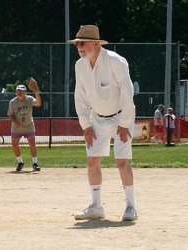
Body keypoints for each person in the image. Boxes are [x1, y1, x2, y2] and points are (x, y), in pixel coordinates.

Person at [69, 25, 137, 221]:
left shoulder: (116, 61)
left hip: (120, 118)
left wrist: (124, 124)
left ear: (96, 43)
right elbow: (79, 97)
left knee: (121, 161)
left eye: (82, 43)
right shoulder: (79, 65)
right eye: (77, 43)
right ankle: (96, 206)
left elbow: (127, 94)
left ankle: (131, 207)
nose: (79, 47)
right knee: (92, 162)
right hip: (96, 119)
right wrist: (86, 126)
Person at [7, 84, 41, 172]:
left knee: (32, 144)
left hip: (29, 125)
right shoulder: (12, 102)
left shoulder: (29, 99)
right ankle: (20, 163)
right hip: (16, 127)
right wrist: (16, 122)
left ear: (25, 92)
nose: (19, 92)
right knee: (14, 145)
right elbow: (10, 114)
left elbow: (38, 104)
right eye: (18, 90)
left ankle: (35, 163)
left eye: (21, 90)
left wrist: (36, 93)